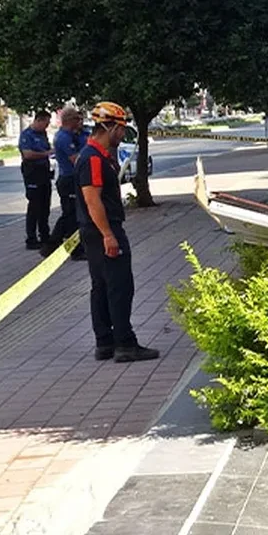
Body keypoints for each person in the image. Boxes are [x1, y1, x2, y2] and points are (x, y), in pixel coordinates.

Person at [76, 101, 160, 363]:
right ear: (110, 128)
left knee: (102, 286)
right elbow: (93, 200)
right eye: (121, 129)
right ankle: (124, 343)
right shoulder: (93, 159)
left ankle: (105, 342)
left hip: (95, 231)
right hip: (104, 230)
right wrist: (108, 235)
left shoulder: (96, 156)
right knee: (119, 286)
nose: (123, 134)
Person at [44, 106, 88, 260]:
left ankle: (53, 245)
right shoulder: (64, 137)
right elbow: (75, 159)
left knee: (72, 215)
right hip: (68, 179)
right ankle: (70, 249)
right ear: (70, 120)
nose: (80, 122)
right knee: (71, 216)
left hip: (72, 178)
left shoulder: (73, 135)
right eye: (77, 119)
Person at [18, 111, 53, 250]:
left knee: (45, 205)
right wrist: (45, 154)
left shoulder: (43, 134)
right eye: (46, 123)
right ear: (38, 120)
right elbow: (27, 154)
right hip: (32, 171)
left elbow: (47, 148)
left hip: (44, 171)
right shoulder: (27, 135)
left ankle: (45, 235)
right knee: (34, 206)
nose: (47, 126)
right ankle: (31, 238)